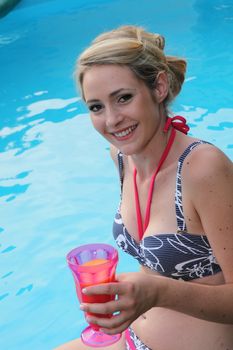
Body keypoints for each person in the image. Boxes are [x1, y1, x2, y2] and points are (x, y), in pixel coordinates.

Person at [56, 25, 233, 350]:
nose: (111, 121)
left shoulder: (202, 168)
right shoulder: (123, 158)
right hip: (131, 338)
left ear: (160, 87)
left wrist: (155, 293)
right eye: (96, 107)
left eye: (123, 98)